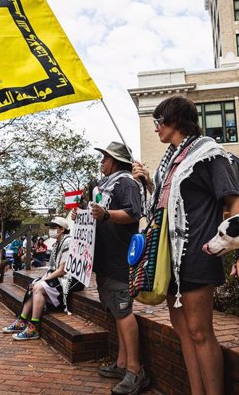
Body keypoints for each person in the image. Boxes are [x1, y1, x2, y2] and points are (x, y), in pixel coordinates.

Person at [132, 95, 239, 395]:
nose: (156, 129)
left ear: (174, 121)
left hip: (198, 254)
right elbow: (161, 209)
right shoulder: (169, 163)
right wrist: (149, 183)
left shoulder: (209, 154)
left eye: (159, 121)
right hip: (169, 258)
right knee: (184, 333)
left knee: (200, 332)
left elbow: (234, 201)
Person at [91, 142, 148, 395]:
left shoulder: (126, 182)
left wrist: (105, 215)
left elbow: (134, 213)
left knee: (123, 311)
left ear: (115, 160)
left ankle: (136, 371)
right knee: (116, 310)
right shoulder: (106, 185)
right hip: (105, 259)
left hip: (120, 259)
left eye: (105, 158)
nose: (101, 162)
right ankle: (122, 363)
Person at [1, 217, 83, 341]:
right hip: (60, 277)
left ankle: (33, 327)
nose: (51, 230)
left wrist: (43, 281)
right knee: (33, 284)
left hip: (70, 280)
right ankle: (22, 320)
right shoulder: (57, 244)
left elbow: (63, 269)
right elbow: (51, 268)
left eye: (54, 227)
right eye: (50, 227)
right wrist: (40, 280)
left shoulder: (68, 242)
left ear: (62, 229)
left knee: (39, 287)